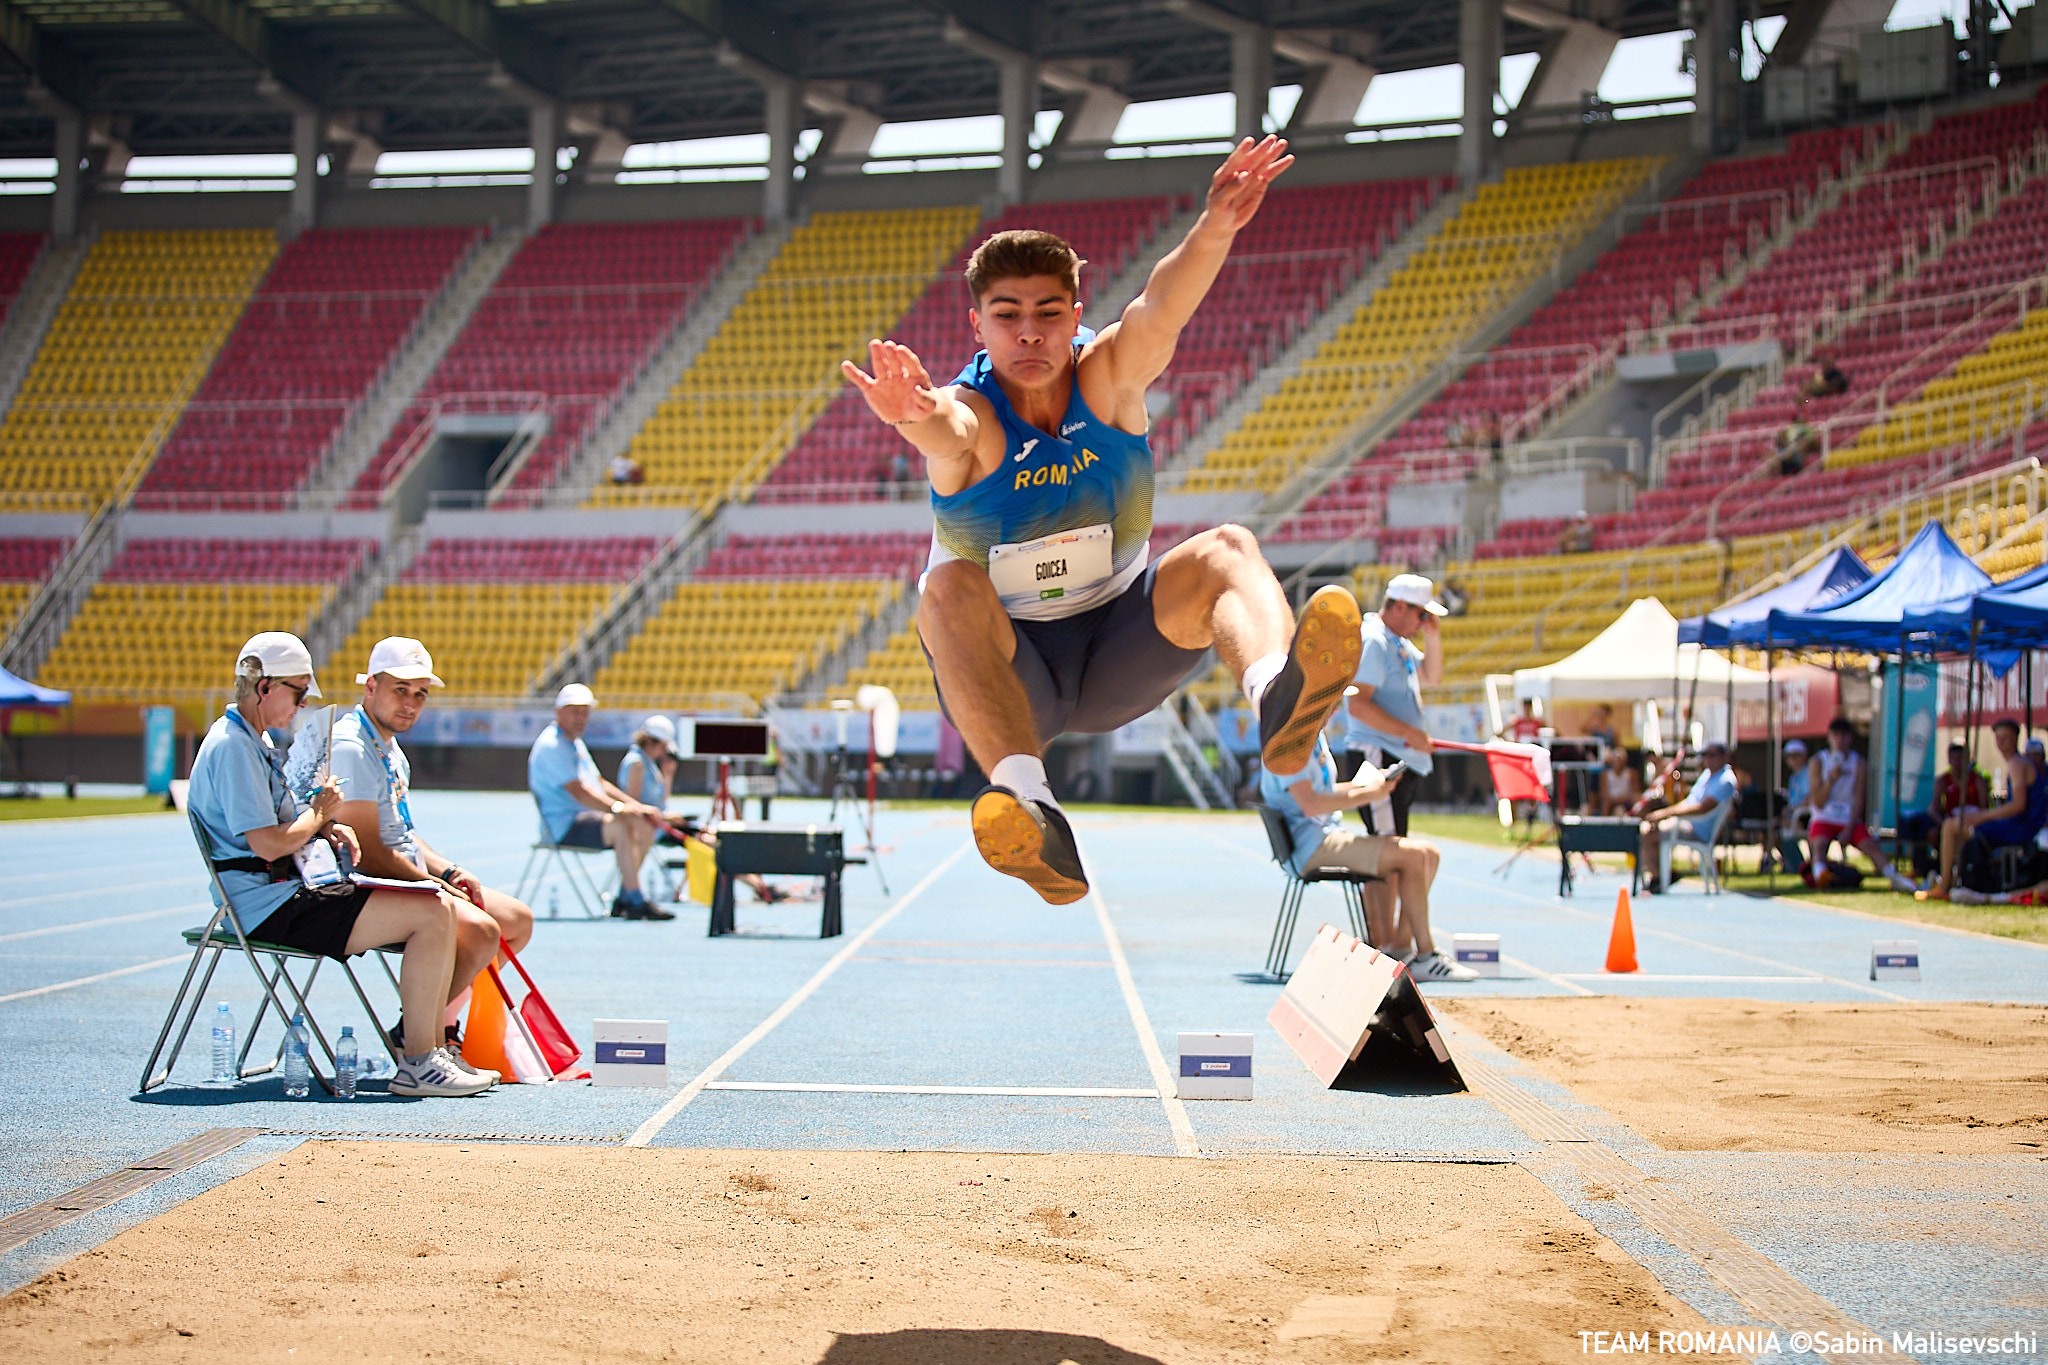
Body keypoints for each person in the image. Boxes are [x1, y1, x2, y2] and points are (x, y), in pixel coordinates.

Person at [841, 135, 1363, 905]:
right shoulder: (975, 414)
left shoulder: (1107, 378)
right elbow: (947, 431)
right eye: (1007, 316)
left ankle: (1278, 700)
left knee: (1228, 549)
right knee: (945, 587)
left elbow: (1159, 310)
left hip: (1121, 641)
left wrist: (1215, 225)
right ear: (978, 325)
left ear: (1075, 315)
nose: (1029, 334)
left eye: (1049, 314)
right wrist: (911, 416)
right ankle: (1034, 811)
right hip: (1016, 672)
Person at [188, 632, 493, 1097]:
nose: (304, 704)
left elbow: (279, 829)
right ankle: (419, 1060)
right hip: (269, 902)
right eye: (299, 691)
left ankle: (426, 1056)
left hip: (286, 891)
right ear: (266, 687)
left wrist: (323, 827)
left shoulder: (253, 740)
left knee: (439, 909)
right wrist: (319, 815)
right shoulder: (233, 745)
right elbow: (269, 845)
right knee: (433, 913)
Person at [320, 637, 534, 1055]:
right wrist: (436, 886)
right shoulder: (351, 747)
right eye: (400, 690)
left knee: (517, 920)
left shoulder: (391, 748)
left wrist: (449, 870)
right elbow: (372, 851)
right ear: (370, 687)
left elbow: (403, 831)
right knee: (483, 930)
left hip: (403, 870)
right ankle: (424, 1037)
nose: (411, 704)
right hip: (367, 883)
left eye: (420, 694)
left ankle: (426, 1025)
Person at [1260, 736, 1473, 981]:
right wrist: (1370, 794)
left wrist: (1363, 786)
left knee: (1430, 854)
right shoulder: (1291, 743)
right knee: (1415, 856)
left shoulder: (1311, 738)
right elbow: (1311, 804)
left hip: (1323, 838)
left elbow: (1322, 793)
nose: (1334, 709)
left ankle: (1402, 951)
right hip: (1313, 847)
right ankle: (1426, 954)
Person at [527, 683, 671, 920]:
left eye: (585, 712)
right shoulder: (552, 745)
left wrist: (635, 807)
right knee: (622, 826)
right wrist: (618, 809)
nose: (581, 718)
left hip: (584, 818)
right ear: (559, 711)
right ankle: (634, 899)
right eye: (575, 711)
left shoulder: (574, 743)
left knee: (644, 824)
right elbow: (579, 791)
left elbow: (599, 782)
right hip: (563, 826)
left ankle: (627, 895)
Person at [1920, 718, 2047, 901]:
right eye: (1998, 737)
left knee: (1951, 826)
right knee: (1955, 827)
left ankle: (1944, 885)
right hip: (2019, 825)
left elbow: (2019, 805)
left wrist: (1983, 816)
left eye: (2006, 737)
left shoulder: (2017, 763)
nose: (2001, 742)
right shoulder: (2016, 763)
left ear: (2015, 738)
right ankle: (1955, 879)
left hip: (2022, 828)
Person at [1805, 716, 1917, 892]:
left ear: (1850, 738)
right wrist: (1831, 780)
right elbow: (1817, 802)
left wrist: (1849, 829)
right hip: (1824, 816)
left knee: (1870, 846)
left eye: (1844, 736)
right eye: (1836, 736)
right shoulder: (1818, 761)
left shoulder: (1859, 763)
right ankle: (1821, 875)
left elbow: (1859, 798)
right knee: (1818, 845)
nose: (1840, 741)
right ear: (1829, 737)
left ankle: (1894, 877)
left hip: (1848, 817)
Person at [1638, 741, 1738, 891]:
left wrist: (1665, 814)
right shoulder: (1707, 775)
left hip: (1698, 828)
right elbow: (1688, 802)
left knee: (1648, 834)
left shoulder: (1725, 781)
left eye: (1712, 755)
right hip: (1687, 822)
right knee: (1648, 829)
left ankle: (1660, 877)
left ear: (1724, 757)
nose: (1707, 759)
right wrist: (1666, 814)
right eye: (1705, 755)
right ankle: (1662, 874)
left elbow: (1702, 808)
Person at [1899, 742, 1987, 875]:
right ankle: (1936, 866)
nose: (1957, 763)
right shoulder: (1943, 781)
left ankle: (1961, 869)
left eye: (1961, 759)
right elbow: (1932, 809)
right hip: (1950, 821)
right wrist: (1944, 823)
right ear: (1949, 759)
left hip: (1972, 822)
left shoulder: (1978, 780)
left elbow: (1985, 808)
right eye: (1954, 759)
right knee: (1931, 831)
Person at [1771, 737, 1812, 872]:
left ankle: (1796, 866)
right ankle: (1793, 863)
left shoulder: (1808, 774)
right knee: (1774, 827)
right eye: (1789, 756)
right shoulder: (1793, 777)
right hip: (1794, 814)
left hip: (1806, 815)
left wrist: (1791, 811)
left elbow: (1809, 799)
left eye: (1796, 755)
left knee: (1784, 827)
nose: (1792, 760)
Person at [1594, 745, 1642, 817]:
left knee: (1636, 799)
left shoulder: (1632, 773)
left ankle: (1638, 821)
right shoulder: (1605, 775)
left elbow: (1636, 791)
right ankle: (1604, 822)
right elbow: (1604, 793)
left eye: (1620, 759)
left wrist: (1625, 798)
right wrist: (1614, 799)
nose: (1618, 761)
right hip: (1611, 800)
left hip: (1627, 798)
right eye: (1616, 758)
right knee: (1606, 802)